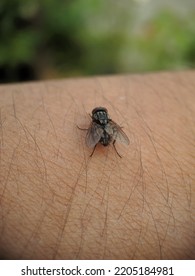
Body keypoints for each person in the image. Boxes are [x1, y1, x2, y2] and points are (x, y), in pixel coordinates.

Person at [0, 71, 194, 259]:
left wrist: (93, 136)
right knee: (112, 135)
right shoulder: (110, 122)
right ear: (104, 116)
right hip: (108, 139)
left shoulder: (94, 124)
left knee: (99, 137)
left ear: (94, 117)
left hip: (102, 140)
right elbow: (117, 131)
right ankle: (112, 149)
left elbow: (93, 132)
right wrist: (110, 136)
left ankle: (104, 149)